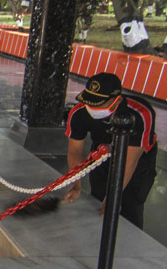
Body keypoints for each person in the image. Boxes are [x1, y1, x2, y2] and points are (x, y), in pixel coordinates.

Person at [64, 72, 158, 229]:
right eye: (89, 101)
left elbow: (130, 160)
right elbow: (75, 152)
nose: (92, 108)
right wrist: (76, 184)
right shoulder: (79, 113)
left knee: (129, 204)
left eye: (98, 103)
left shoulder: (139, 114)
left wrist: (114, 196)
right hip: (101, 152)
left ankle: (127, 248)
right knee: (98, 198)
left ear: (117, 100)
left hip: (136, 160)